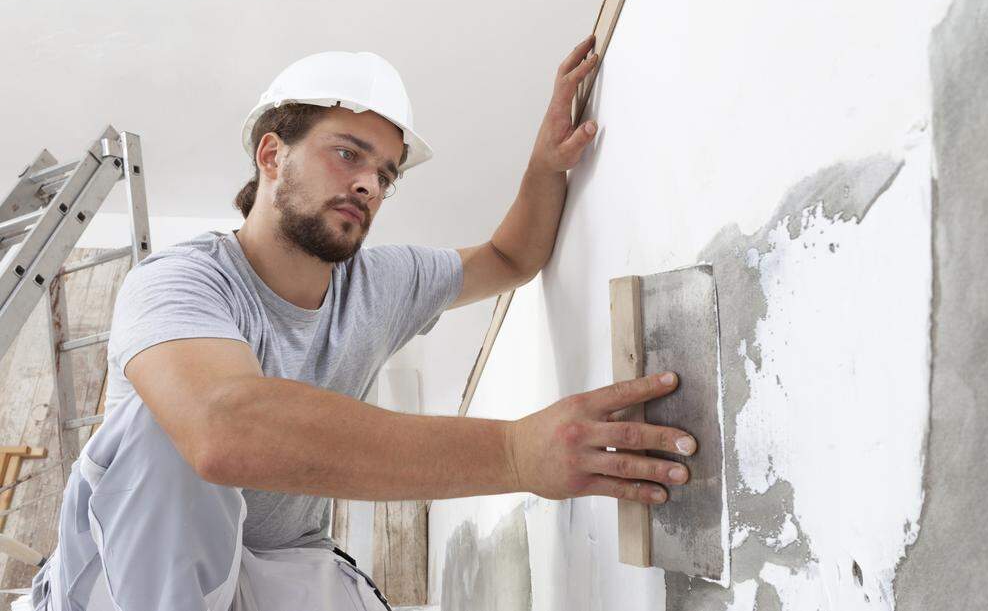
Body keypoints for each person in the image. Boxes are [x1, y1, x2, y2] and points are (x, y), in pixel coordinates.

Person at [29, 37, 697, 610]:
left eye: (385, 174)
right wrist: (517, 453)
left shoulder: (380, 284)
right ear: (271, 155)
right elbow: (222, 428)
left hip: (279, 564)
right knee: (164, 422)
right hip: (133, 578)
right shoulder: (180, 281)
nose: (370, 185)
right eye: (348, 154)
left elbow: (508, 257)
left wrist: (546, 164)